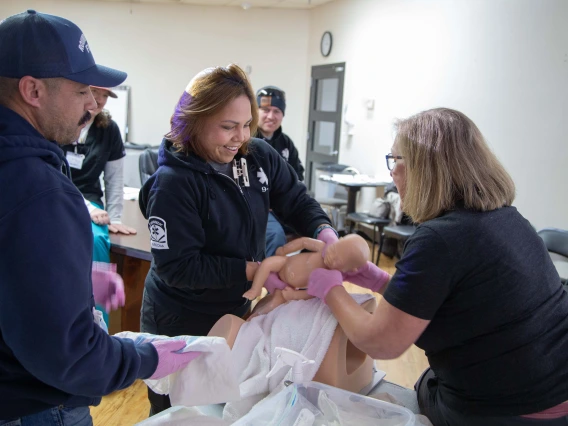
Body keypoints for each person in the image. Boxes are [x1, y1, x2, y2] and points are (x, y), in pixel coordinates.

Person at [305, 108, 568, 425]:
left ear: (424, 168)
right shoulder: (508, 218)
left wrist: (329, 289)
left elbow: (381, 341)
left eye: (396, 161)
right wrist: (378, 279)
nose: (392, 173)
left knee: (424, 385)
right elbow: (444, 303)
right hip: (554, 390)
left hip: (509, 410)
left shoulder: (438, 239)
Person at [0, 11, 197, 425]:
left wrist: (66, 279)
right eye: (81, 90)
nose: (93, 103)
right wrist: (145, 358)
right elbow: (68, 353)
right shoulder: (41, 192)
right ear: (33, 90)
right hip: (35, 403)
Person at [139, 64, 338, 415]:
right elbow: (179, 268)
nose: (240, 137)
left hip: (234, 308)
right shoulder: (174, 183)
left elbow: (295, 199)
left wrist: (325, 233)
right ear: (195, 122)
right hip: (179, 318)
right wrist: (257, 271)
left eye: (247, 125)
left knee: (221, 407)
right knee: (179, 413)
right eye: (228, 127)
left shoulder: (256, 156)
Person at [61, 85, 137, 263]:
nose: (100, 100)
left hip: (92, 201)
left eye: (105, 95)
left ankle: (99, 289)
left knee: (96, 240)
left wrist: (115, 218)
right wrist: (87, 208)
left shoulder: (109, 130)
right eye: (94, 92)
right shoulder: (59, 125)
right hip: (57, 198)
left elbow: (114, 179)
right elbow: (52, 175)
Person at [256, 86, 305, 256]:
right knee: (275, 236)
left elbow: (297, 176)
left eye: (277, 111)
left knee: (315, 231)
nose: (271, 116)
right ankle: (267, 280)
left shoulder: (286, 144)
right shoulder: (243, 141)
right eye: (265, 110)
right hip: (257, 209)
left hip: (283, 207)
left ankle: (302, 281)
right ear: (255, 111)